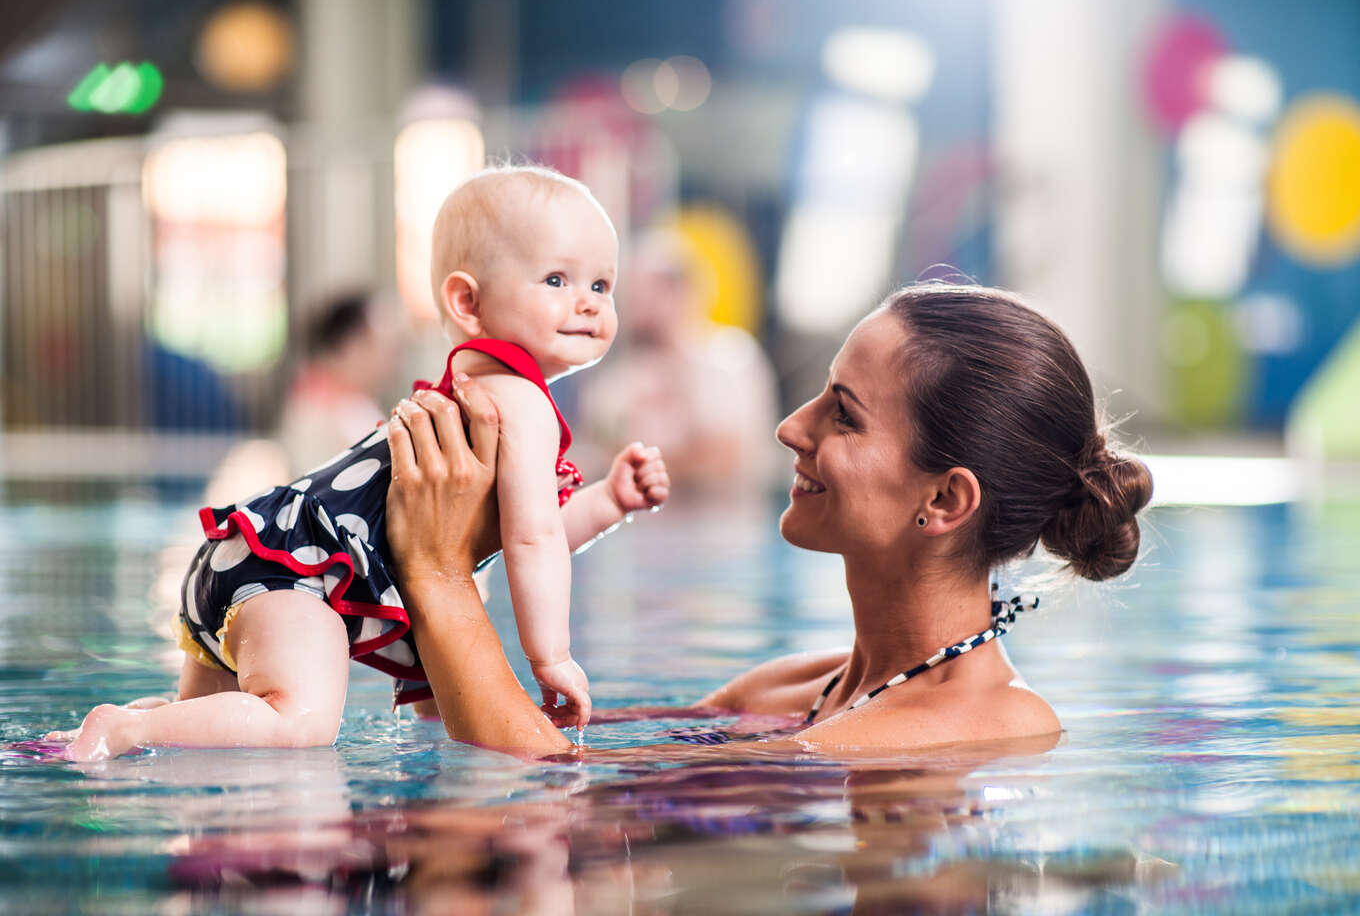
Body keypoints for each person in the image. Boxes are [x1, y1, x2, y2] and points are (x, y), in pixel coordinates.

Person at [50, 166, 670, 762]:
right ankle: (126, 726)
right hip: (300, 577)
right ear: (467, 302)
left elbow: (528, 532)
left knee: (213, 732)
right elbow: (530, 539)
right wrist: (551, 656)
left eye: (602, 285)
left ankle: (128, 723)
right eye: (557, 281)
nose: (588, 304)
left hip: (251, 553)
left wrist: (609, 503)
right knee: (300, 722)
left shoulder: (470, 384)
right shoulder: (522, 400)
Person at [382, 280, 1153, 757]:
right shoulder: (794, 688)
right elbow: (572, 747)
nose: (791, 426)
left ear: (944, 501)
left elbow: (551, 799)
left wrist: (439, 576)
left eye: (842, 416)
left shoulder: (992, 723)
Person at [573, 228, 781, 491]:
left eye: (645, 290)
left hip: (719, 518)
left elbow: (728, 458)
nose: (633, 303)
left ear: (679, 289)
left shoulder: (730, 358)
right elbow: (597, 446)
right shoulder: (623, 374)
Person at [276, 291, 405, 476]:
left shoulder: (354, 401)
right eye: (383, 346)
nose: (392, 360)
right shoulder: (317, 409)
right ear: (348, 346)